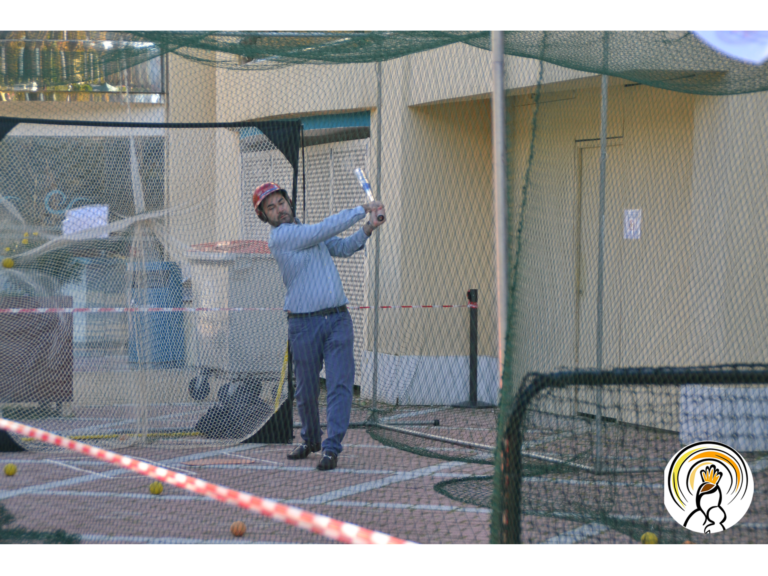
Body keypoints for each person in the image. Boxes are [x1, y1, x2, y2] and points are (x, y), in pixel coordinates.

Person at [253, 182, 385, 471]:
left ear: (288, 202)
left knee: (340, 385)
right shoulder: (282, 237)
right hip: (303, 324)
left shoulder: (305, 233)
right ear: (264, 216)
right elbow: (322, 230)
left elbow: (344, 247)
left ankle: (331, 448)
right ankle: (311, 439)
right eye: (270, 208)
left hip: (338, 319)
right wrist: (361, 208)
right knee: (306, 390)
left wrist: (368, 227)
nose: (279, 209)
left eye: (281, 202)